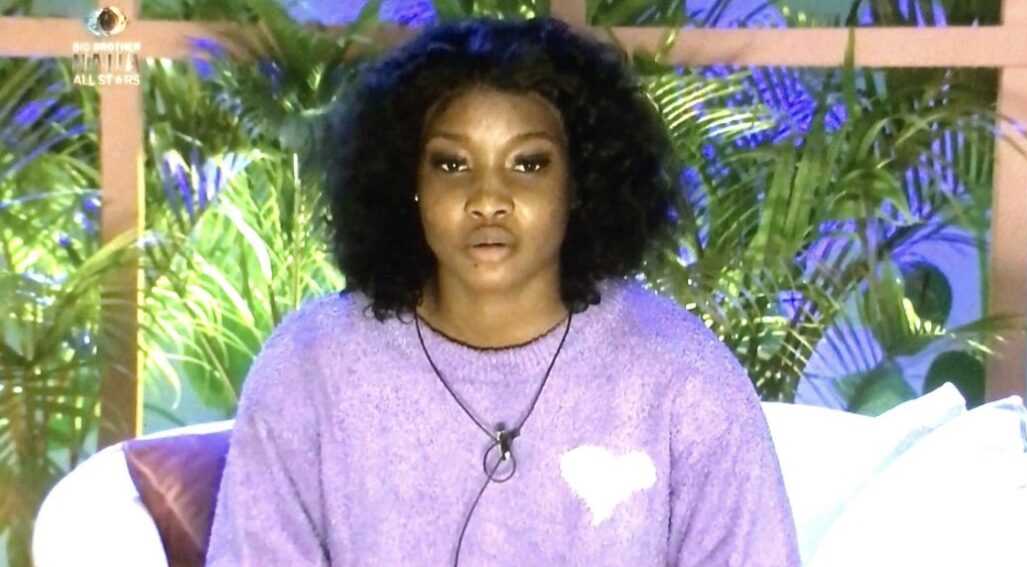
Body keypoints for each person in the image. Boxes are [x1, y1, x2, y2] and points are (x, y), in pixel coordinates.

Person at [206, 16, 800, 567]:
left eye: (529, 164)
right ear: (407, 182)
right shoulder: (308, 369)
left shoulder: (684, 378)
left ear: (580, 182)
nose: (488, 199)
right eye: (451, 164)